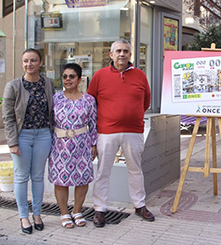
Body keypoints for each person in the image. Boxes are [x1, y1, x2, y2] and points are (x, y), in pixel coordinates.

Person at [87, 39, 154, 227]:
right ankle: (100, 209)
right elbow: (91, 104)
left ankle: (139, 205)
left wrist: (131, 115)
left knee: (135, 170)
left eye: (125, 51)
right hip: (106, 132)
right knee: (103, 171)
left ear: (130, 55)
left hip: (133, 131)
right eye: (118, 51)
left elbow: (145, 102)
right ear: (111, 55)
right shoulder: (99, 76)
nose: (122, 54)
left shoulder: (140, 76)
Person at [2, 48, 55, 234]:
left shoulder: (48, 84)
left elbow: (52, 111)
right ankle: (24, 217)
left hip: (43, 135)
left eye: (33, 60)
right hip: (22, 136)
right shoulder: (13, 86)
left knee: (38, 176)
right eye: (26, 61)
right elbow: (7, 117)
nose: (29, 64)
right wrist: (13, 142)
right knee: (21, 177)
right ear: (22, 63)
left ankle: (38, 214)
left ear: (40, 63)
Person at [48, 63, 97, 228]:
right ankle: (64, 213)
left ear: (79, 79)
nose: (68, 80)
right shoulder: (55, 99)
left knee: (82, 179)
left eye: (72, 76)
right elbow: (49, 123)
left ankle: (77, 211)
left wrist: (94, 144)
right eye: (65, 76)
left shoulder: (89, 100)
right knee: (61, 180)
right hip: (59, 145)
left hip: (82, 144)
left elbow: (93, 124)